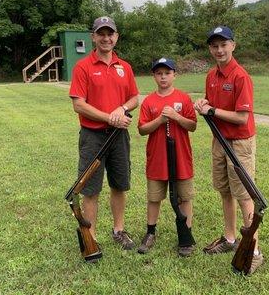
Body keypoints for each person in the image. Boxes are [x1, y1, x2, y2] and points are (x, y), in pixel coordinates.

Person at [193, 26, 263, 275]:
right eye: (214, 46)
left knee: (244, 194)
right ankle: (230, 238)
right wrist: (204, 103)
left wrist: (211, 111)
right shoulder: (211, 75)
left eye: (224, 44)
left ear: (233, 45)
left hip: (239, 142)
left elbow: (242, 117)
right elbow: (211, 104)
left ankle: (253, 250)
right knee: (225, 190)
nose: (219, 50)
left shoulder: (241, 76)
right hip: (219, 140)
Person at [69, 16, 139, 252]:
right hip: (93, 137)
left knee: (119, 184)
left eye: (110, 34)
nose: (106, 38)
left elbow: (134, 98)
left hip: (119, 137)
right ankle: (92, 237)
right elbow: (78, 104)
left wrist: (122, 108)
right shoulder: (83, 66)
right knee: (90, 189)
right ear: (94, 37)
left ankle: (119, 230)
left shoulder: (125, 67)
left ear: (116, 37)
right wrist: (108, 117)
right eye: (101, 33)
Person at [137, 57, 197, 257]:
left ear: (174, 75)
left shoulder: (184, 98)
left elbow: (193, 126)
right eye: (159, 73)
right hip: (157, 158)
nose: (163, 77)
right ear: (154, 76)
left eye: (167, 73)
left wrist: (176, 117)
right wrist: (161, 119)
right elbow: (142, 129)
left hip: (181, 157)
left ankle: (185, 234)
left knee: (185, 197)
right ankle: (150, 232)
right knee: (154, 198)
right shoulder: (149, 101)